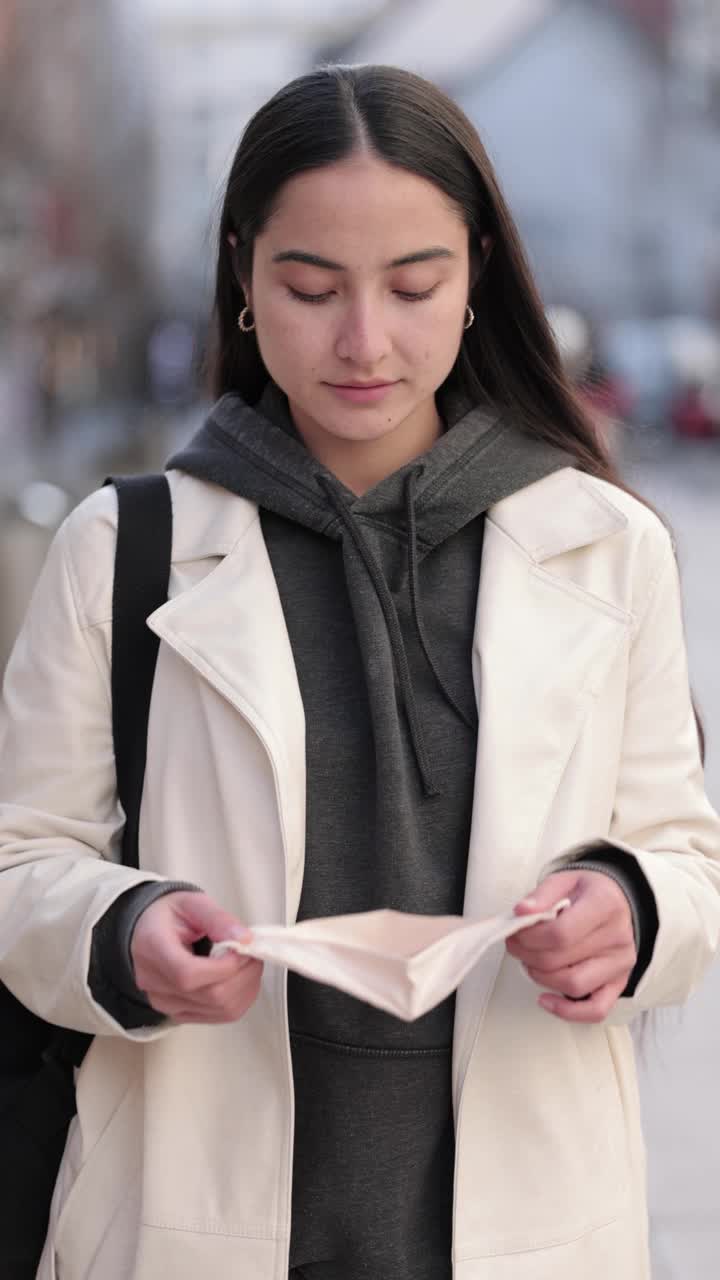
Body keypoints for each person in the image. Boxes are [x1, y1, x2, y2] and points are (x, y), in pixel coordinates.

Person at [1, 64, 719, 1280]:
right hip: (192, 1218)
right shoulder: (126, 551)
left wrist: (630, 910)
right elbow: (21, 857)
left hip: (539, 1226)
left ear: (478, 272)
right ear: (243, 276)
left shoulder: (606, 544)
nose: (364, 341)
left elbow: (683, 852)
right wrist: (120, 930)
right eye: (311, 286)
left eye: (414, 283)